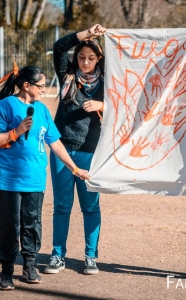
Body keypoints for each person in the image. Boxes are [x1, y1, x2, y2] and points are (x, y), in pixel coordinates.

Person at [0, 64, 90, 291]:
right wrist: (15, 132)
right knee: (9, 225)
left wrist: (74, 169)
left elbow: (55, 142)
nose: (43, 90)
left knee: (32, 224)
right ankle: (7, 270)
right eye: (40, 86)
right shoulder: (6, 105)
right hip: (8, 180)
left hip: (35, 179)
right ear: (26, 85)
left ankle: (29, 266)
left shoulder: (41, 110)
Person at [44, 24, 107, 275]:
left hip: (91, 151)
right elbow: (59, 46)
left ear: (99, 59)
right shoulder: (67, 74)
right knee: (61, 205)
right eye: (81, 56)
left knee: (90, 206)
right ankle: (58, 255)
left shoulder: (108, 80)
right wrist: (86, 34)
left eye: (91, 58)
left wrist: (103, 103)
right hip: (62, 148)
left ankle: (91, 257)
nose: (85, 62)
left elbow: (125, 100)